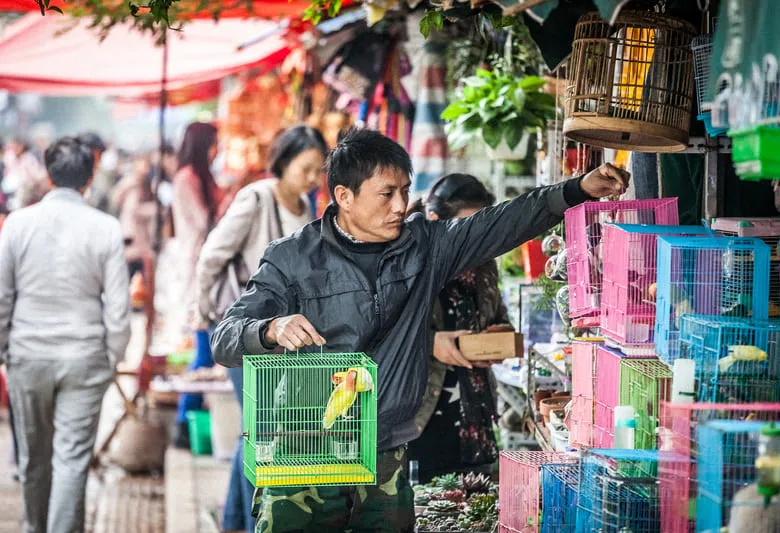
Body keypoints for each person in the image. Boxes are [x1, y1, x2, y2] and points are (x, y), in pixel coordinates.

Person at [211, 128, 628, 533]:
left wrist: (575, 190)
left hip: (384, 452)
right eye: (386, 193)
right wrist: (269, 328)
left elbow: (501, 222)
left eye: (405, 191)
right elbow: (225, 337)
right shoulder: (291, 259)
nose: (401, 205)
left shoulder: (424, 247)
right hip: (304, 451)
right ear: (344, 197)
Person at [194, 124, 327, 533]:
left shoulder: (306, 210)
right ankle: (252, 523)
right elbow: (211, 257)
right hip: (242, 329)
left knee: (256, 427)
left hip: (279, 337)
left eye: (318, 170)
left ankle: (235, 518)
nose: (311, 178)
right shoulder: (256, 198)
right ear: (283, 162)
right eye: (305, 168)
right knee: (260, 427)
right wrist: (204, 315)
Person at [0, 137, 131, 533]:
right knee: (72, 459)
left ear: (48, 172)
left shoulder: (17, 224)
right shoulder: (106, 228)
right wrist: (113, 356)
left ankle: (32, 528)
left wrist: (6, 349)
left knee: (34, 459)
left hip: (28, 357)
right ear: (90, 176)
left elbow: (3, 296)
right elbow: (119, 309)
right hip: (85, 357)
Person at [406, 173, 509, 483]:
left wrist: (499, 337)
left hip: (474, 416)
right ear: (436, 220)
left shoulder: (483, 264)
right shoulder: (409, 262)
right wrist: (431, 342)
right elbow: (381, 330)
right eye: (467, 227)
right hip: (424, 417)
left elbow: (498, 316)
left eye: (482, 228)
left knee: (473, 508)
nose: (475, 237)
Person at [171, 122, 224, 448]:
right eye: (215, 144)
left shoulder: (198, 177)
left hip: (208, 273)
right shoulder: (187, 179)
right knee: (204, 353)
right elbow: (203, 221)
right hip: (198, 273)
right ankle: (182, 422)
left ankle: (185, 421)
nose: (217, 150)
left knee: (206, 350)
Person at [110, 154, 157, 279]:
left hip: (134, 234)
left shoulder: (140, 182)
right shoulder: (135, 184)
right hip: (133, 235)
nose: (146, 169)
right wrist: (155, 209)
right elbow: (134, 209)